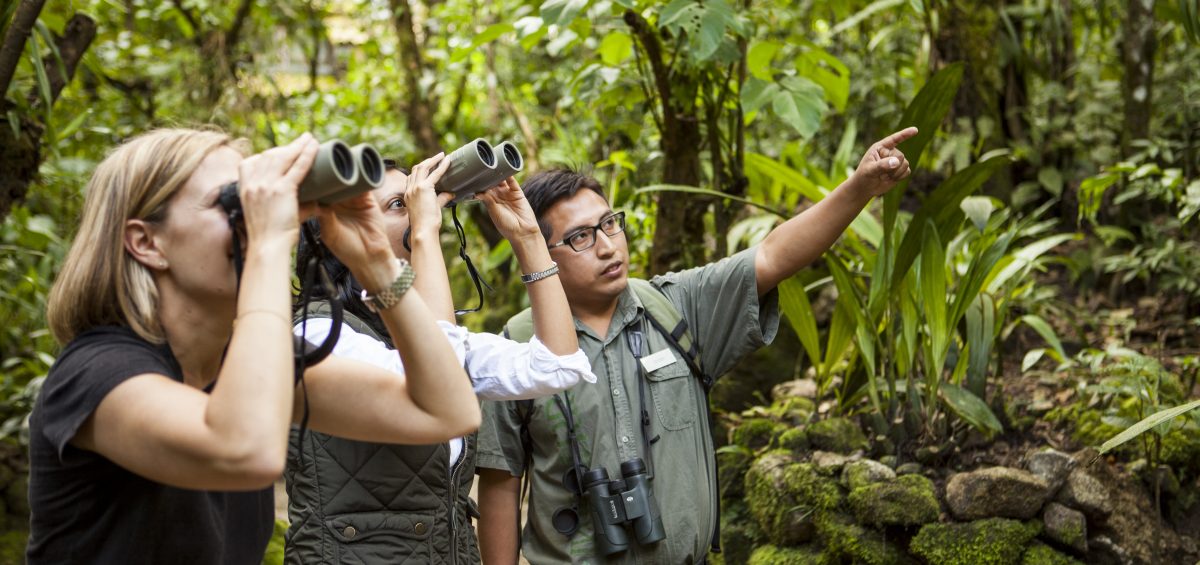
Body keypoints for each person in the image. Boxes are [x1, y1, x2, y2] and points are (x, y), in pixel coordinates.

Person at [28, 128, 481, 565]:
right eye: (234, 202)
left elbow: (447, 412)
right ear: (147, 242)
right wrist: (267, 242)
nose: (256, 216)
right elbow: (246, 451)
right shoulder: (95, 373)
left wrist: (376, 264)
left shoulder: (243, 366)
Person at [475, 127, 919, 564]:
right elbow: (500, 482)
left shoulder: (677, 305)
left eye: (610, 224)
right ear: (542, 252)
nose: (608, 247)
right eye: (580, 238)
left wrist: (860, 187)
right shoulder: (516, 346)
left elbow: (772, 255)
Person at [284, 152, 596, 564]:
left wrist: (527, 239)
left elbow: (557, 366)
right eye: (400, 204)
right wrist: (426, 233)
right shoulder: (317, 335)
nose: (419, 211)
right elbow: (436, 378)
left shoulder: (422, 331)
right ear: (339, 232)